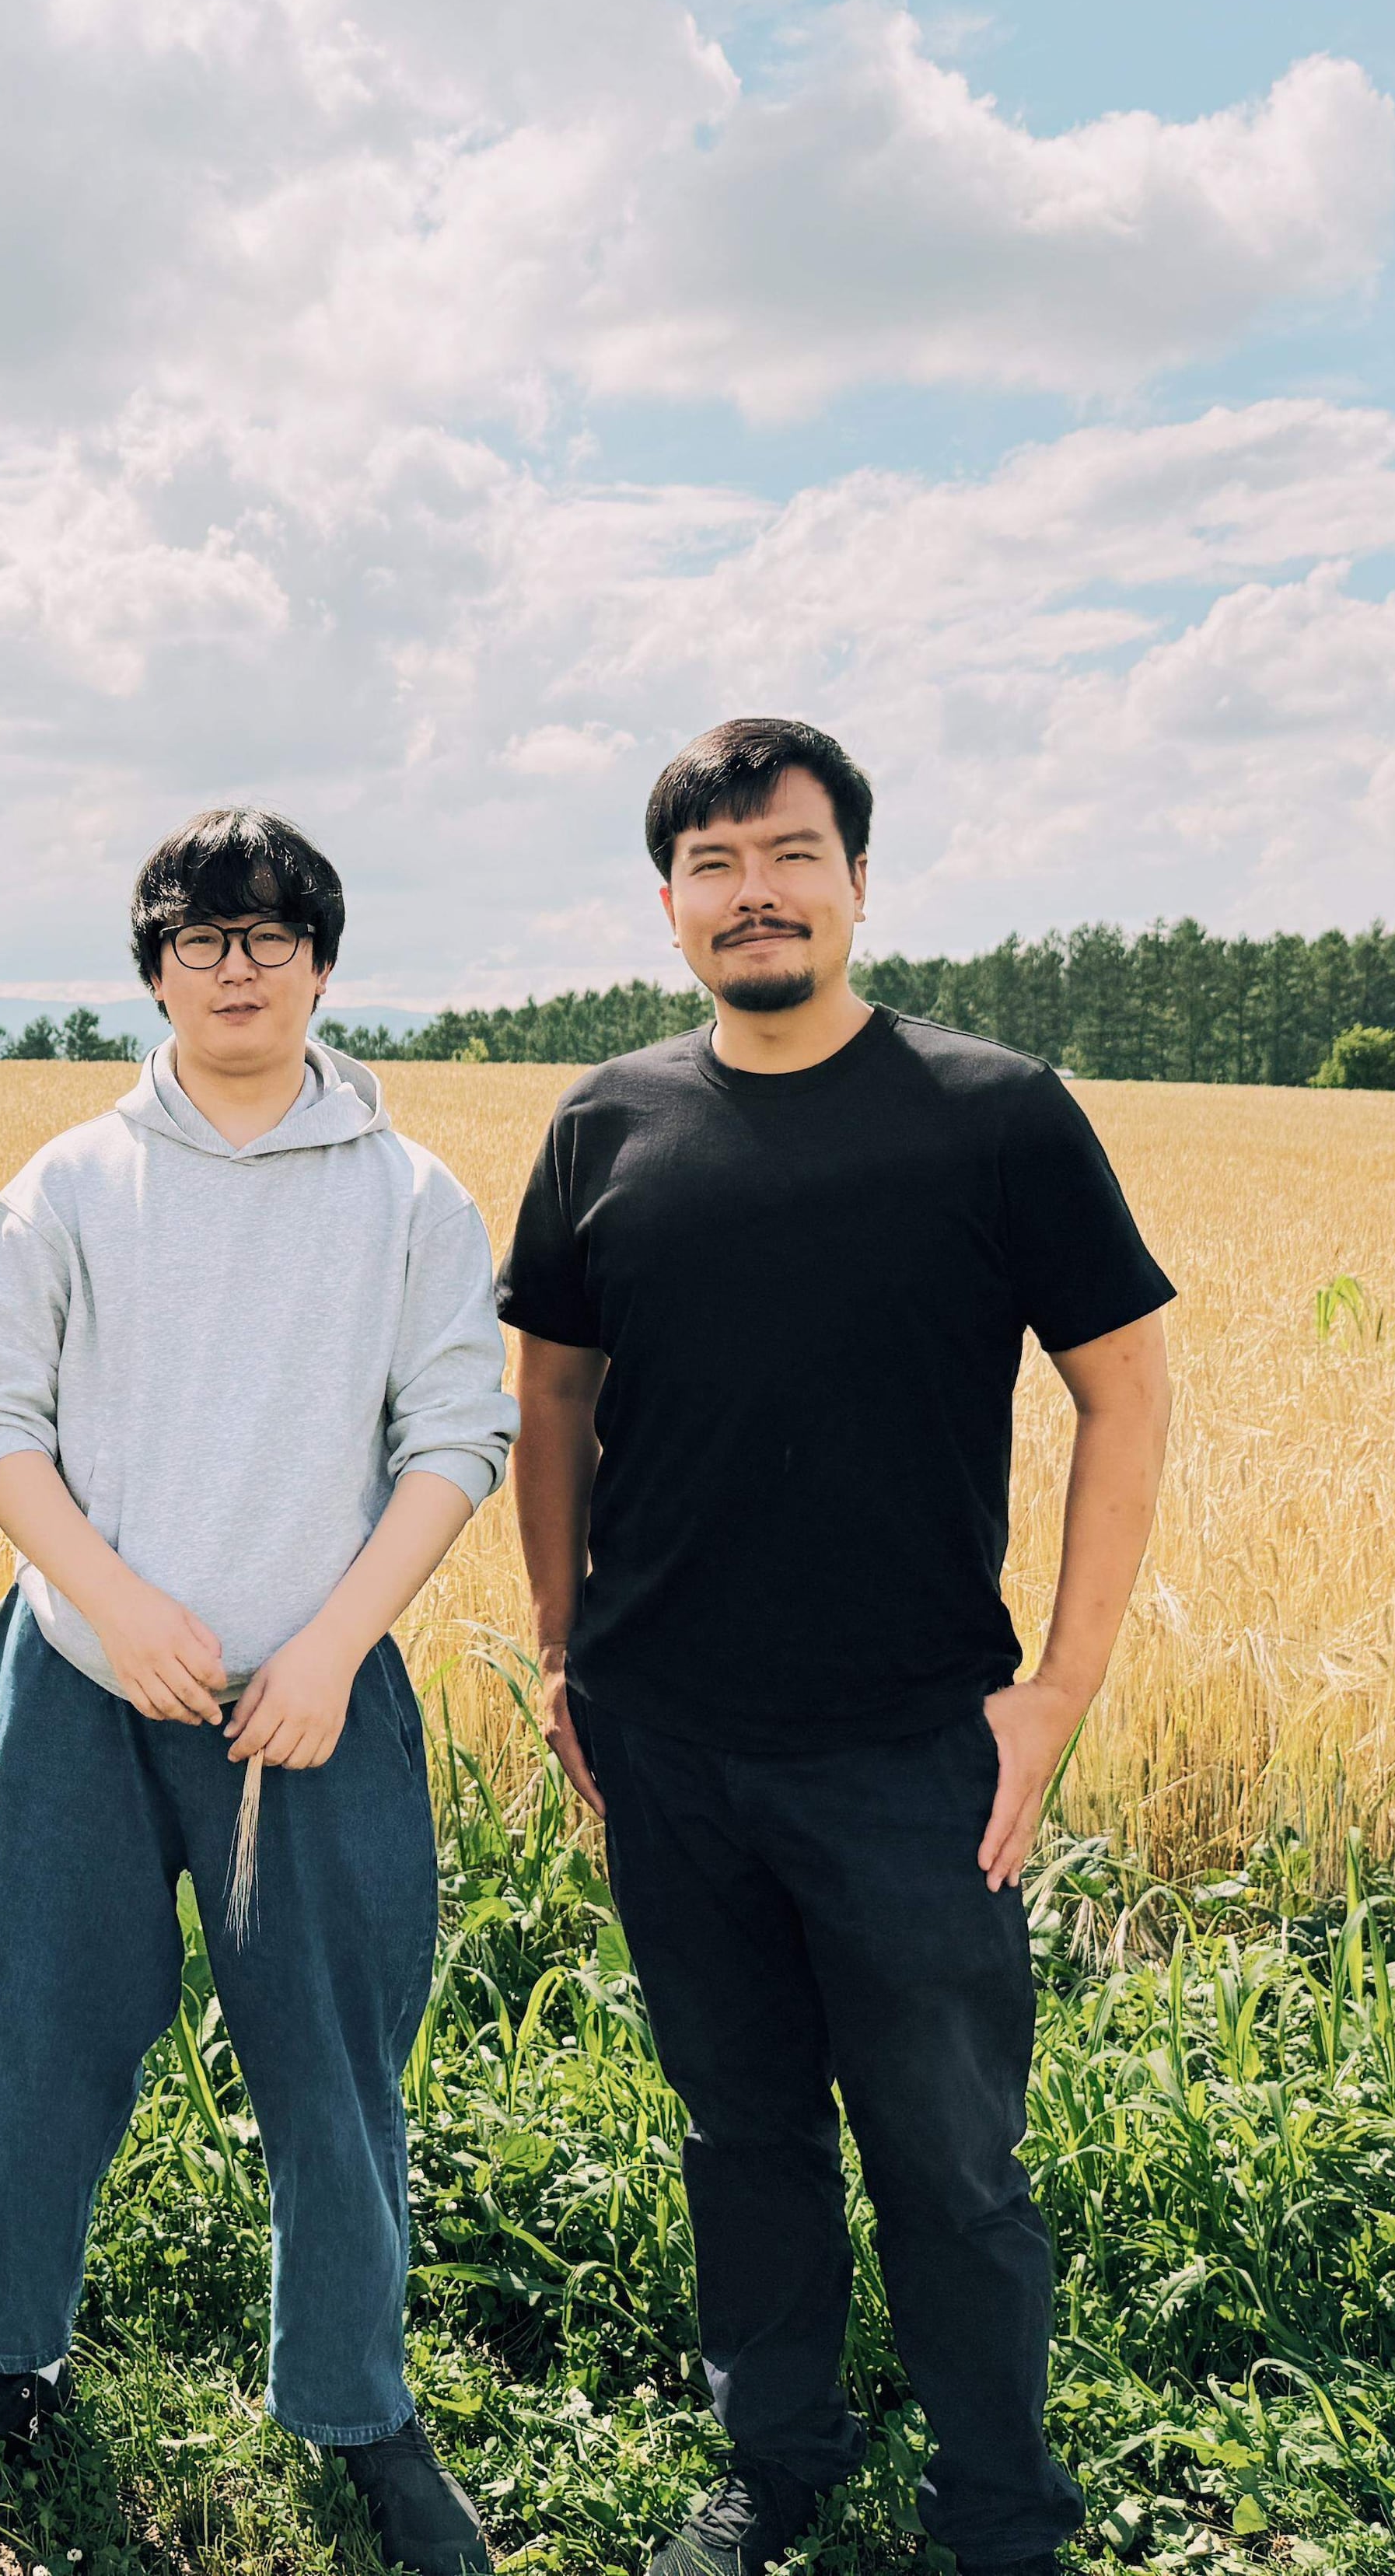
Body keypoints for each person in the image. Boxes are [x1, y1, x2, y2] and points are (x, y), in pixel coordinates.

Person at [502, 719, 1173, 2576]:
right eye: (712, 867)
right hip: (669, 1740)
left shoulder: (994, 1115)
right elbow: (550, 1400)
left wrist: (1059, 1689)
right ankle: (774, 2462)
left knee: (950, 2161)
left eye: (790, 856)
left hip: (912, 1752)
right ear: (667, 906)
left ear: (858, 883)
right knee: (741, 2134)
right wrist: (560, 1648)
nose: (755, 895)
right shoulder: (605, 1125)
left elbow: (1125, 1394)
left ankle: (1000, 2511)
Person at [0, 808, 516, 2576]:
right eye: (198, 937)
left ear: (322, 962)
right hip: (84, 1684)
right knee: (41, 2029)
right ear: (153, 970)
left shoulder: (409, 1197)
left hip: (315, 1697)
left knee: (336, 2058)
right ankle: (5, 2367)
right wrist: (110, 1600)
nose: (235, 967)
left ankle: (359, 2409)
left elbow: (454, 1436)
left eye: (268, 935)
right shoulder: (71, 1182)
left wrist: (330, 1646)